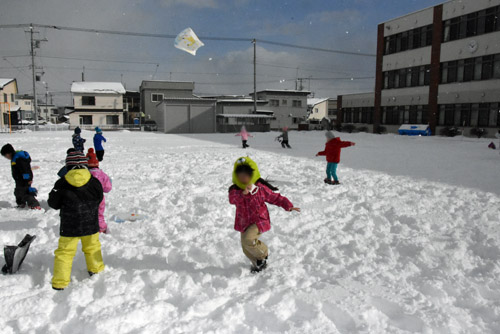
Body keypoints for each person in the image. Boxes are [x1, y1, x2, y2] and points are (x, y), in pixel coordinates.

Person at [228, 157, 300, 272]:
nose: (243, 178)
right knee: (245, 247)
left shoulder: (260, 188)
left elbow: (275, 197)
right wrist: (243, 194)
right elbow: (232, 200)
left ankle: (263, 253)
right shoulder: (235, 190)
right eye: (240, 176)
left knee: (248, 240)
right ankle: (258, 264)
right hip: (244, 222)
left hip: (259, 220)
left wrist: (288, 205)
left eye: (246, 175)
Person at [48, 150, 104, 290]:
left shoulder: (61, 183)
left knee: (65, 253)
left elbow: (53, 204)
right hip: (90, 224)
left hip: (69, 227)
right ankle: (95, 270)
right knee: (92, 248)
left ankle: (60, 282)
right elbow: (99, 198)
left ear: (68, 166)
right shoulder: (94, 182)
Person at [1, 144, 40, 209]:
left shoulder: (18, 158)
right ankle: (21, 203)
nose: (6, 157)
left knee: (25, 193)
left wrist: (27, 179)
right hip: (19, 179)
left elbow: (25, 170)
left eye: (5, 156)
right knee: (18, 192)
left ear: (9, 153)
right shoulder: (14, 158)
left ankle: (34, 205)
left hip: (24, 179)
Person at [87, 148, 112, 233]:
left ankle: (90, 228)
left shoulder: (86, 174)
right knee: (99, 214)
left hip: (88, 198)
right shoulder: (103, 175)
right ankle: (101, 228)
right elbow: (108, 188)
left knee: (89, 214)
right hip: (100, 198)